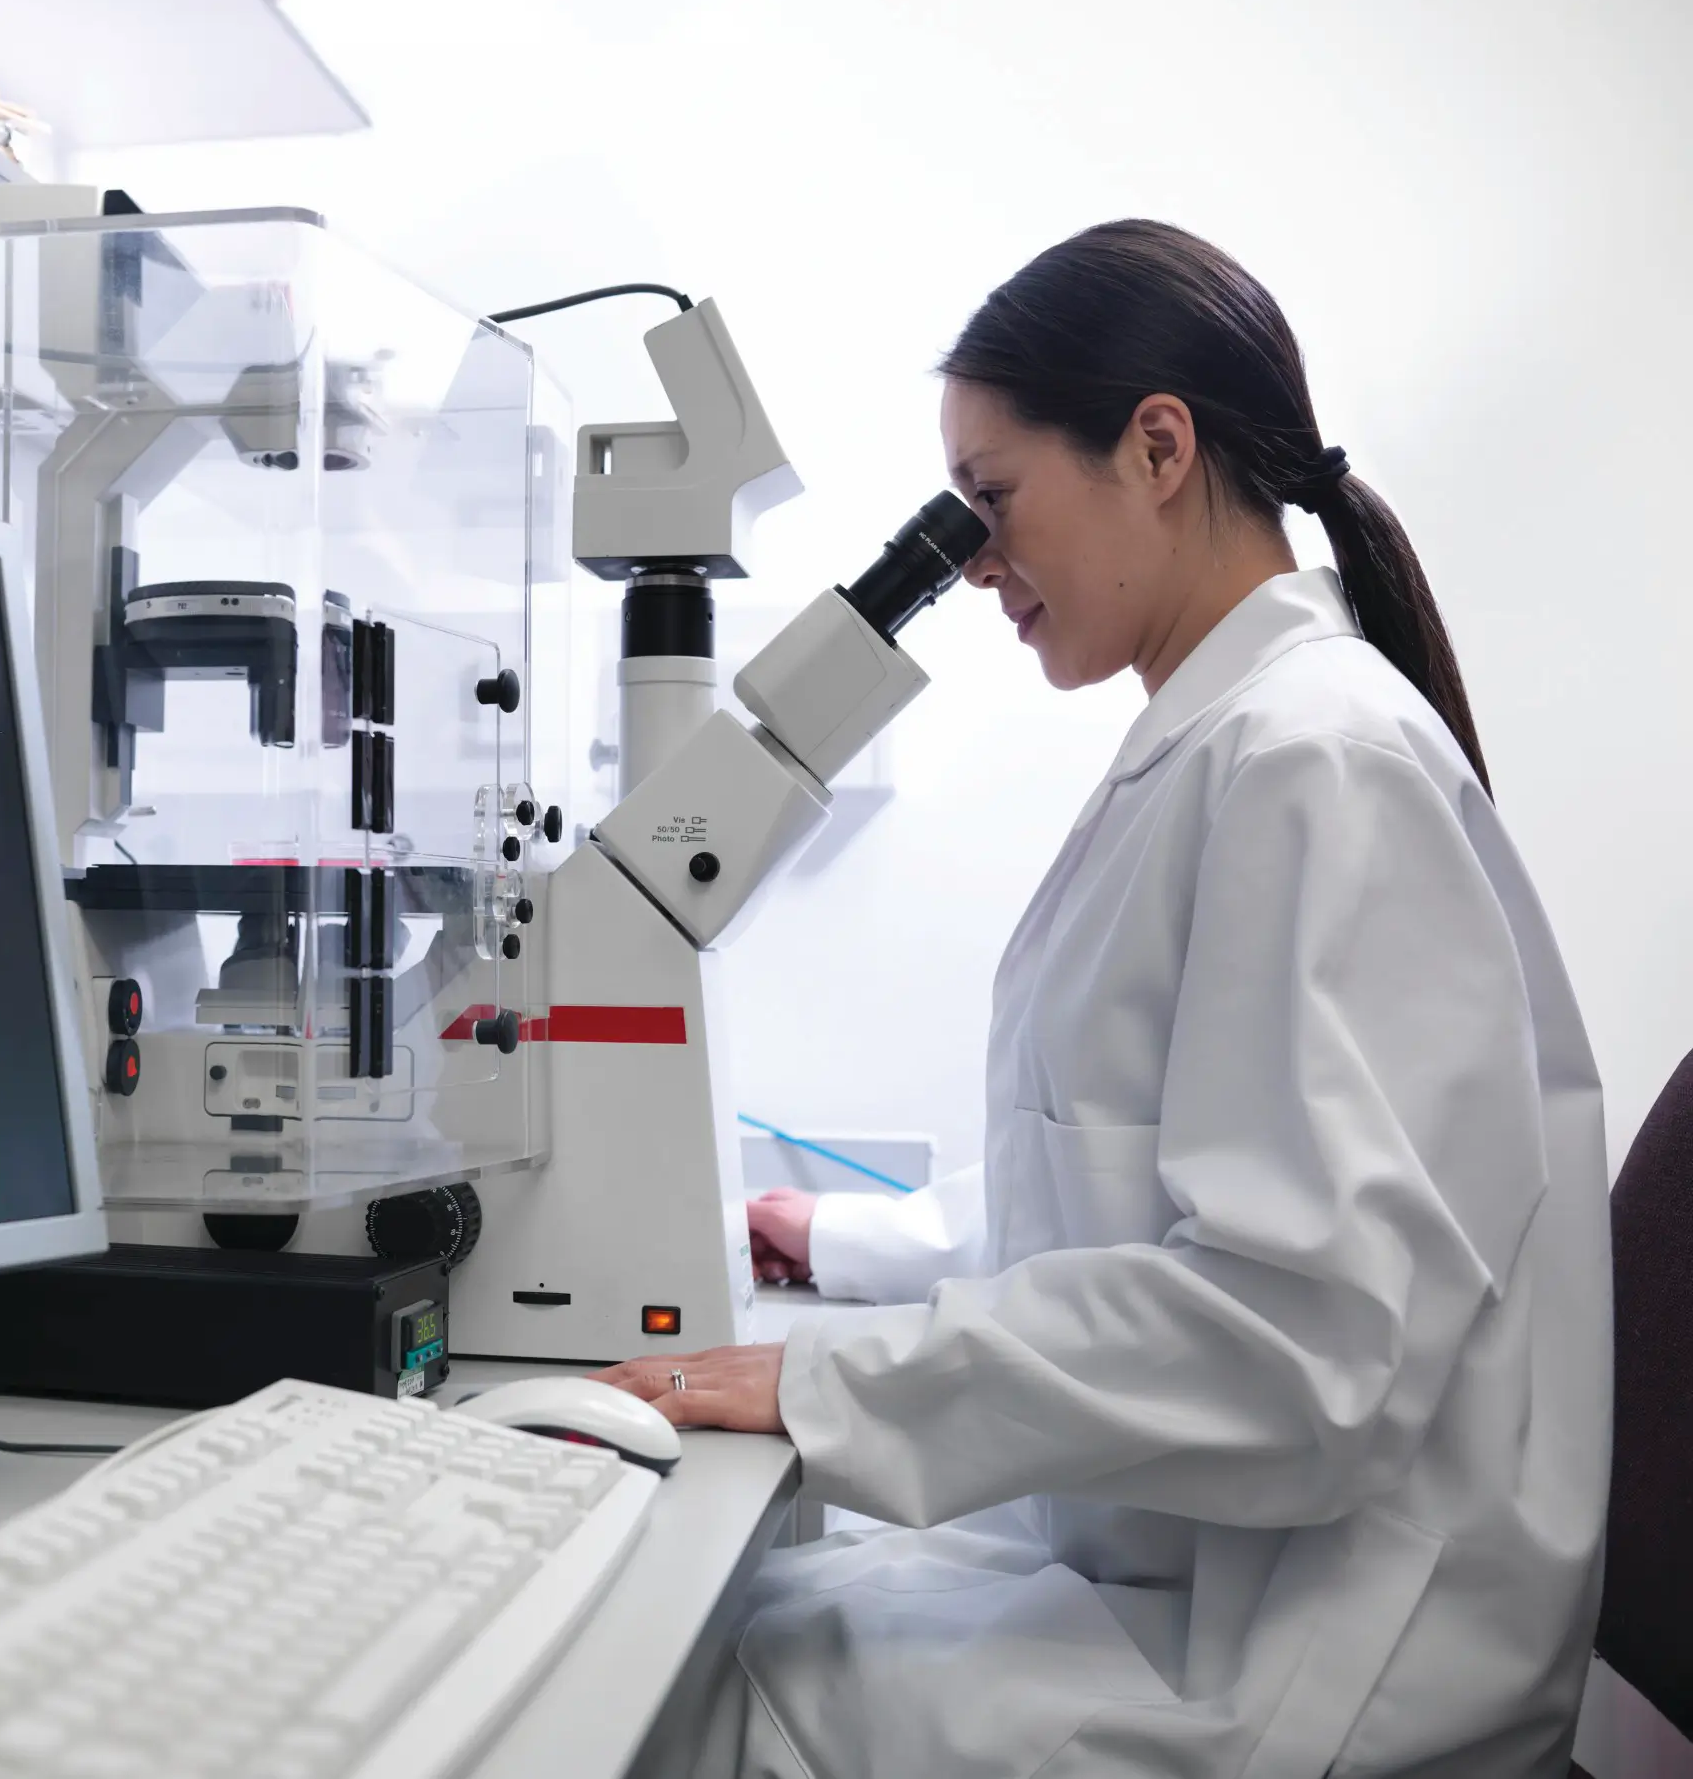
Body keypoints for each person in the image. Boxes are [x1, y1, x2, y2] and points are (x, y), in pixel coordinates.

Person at [595, 220, 1610, 1779]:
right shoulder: (1233, 742)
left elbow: (1301, 1339)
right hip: (1201, 1580)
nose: (980, 563)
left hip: (1312, 1661)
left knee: (671, 1693)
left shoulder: (1310, 761)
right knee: (746, 1610)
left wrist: (828, 1382)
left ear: (1156, 448)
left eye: (992, 504)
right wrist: (846, 1245)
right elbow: (1140, 1182)